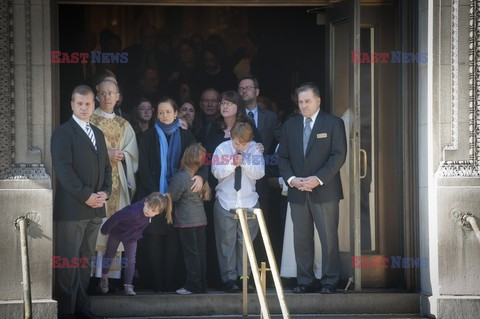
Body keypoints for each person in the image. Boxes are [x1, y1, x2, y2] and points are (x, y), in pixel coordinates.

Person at [278, 82, 347, 294]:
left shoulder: (333, 123)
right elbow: (283, 158)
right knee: (301, 238)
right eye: (300, 102)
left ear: (318, 101)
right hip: (298, 190)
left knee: (328, 238)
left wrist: (318, 179)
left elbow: (339, 155)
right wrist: (291, 180)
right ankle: (304, 281)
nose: (304, 105)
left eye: (308, 101)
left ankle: (329, 281)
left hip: (324, 190)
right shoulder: (290, 125)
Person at [51, 85, 112, 319]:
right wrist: (87, 195)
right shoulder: (63, 133)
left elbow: (107, 168)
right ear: (72, 105)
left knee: (85, 262)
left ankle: (82, 309)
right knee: (68, 264)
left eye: (88, 104)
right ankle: (66, 313)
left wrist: (104, 193)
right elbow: (64, 171)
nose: (84, 108)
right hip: (72, 210)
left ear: (93, 105)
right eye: (80, 104)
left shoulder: (98, 133)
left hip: (96, 210)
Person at [136, 97, 207, 291]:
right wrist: (157, 196)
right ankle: (157, 283)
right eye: (160, 112)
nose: (164, 116)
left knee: (174, 243)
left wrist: (201, 176)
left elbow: (203, 158)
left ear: (176, 113)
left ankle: (170, 282)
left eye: (168, 112)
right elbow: (142, 168)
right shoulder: (147, 136)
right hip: (154, 197)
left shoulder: (187, 135)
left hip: (179, 199)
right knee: (154, 240)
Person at [90, 79, 139, 281]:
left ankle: (113, 278)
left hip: (118, 182)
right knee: (97, 229)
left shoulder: (124, 124)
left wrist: (123, 156)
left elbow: (133, 154)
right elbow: (84, 150)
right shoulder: (90, 119)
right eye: (103, 93)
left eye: (111, 93)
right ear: (97, 95)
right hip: (97, 181)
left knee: (118, 227)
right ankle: (95, 277)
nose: (107, 97)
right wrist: (105, 155)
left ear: (118, 97)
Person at [211, 122, 265, 293]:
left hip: (249, 201)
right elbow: (216, 172)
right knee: (226, 243)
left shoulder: (255, 150)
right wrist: (232, 163)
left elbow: (260, 173)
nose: (239, 146)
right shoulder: (222, 149)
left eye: (243, 143)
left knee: (246, 242)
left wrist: (245, 162)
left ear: (250, 140)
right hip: (226, 201)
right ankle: (229, 279)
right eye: (236, 143)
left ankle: (245, 277)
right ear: (231, 137)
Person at [98, 192, 173, 296]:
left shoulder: (151, 211)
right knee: (109, 254)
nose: (149, 211)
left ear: (157, 213)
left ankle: (128, 285)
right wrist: (105, 229)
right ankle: (104, 278)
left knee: (131, 260)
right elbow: (117, 217)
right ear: (145, 202)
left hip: (132, 237)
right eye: (148, 207)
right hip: (117, 233)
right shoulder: (133, 211)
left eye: (153, 211)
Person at [167, 143, 211, 295]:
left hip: (187, 222)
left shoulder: (181, 177)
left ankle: (192, 285)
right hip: (201, 220)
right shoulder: (200, 179)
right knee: (201, 253)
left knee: (191, 254)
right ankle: (202, 283)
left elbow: (171, 197)